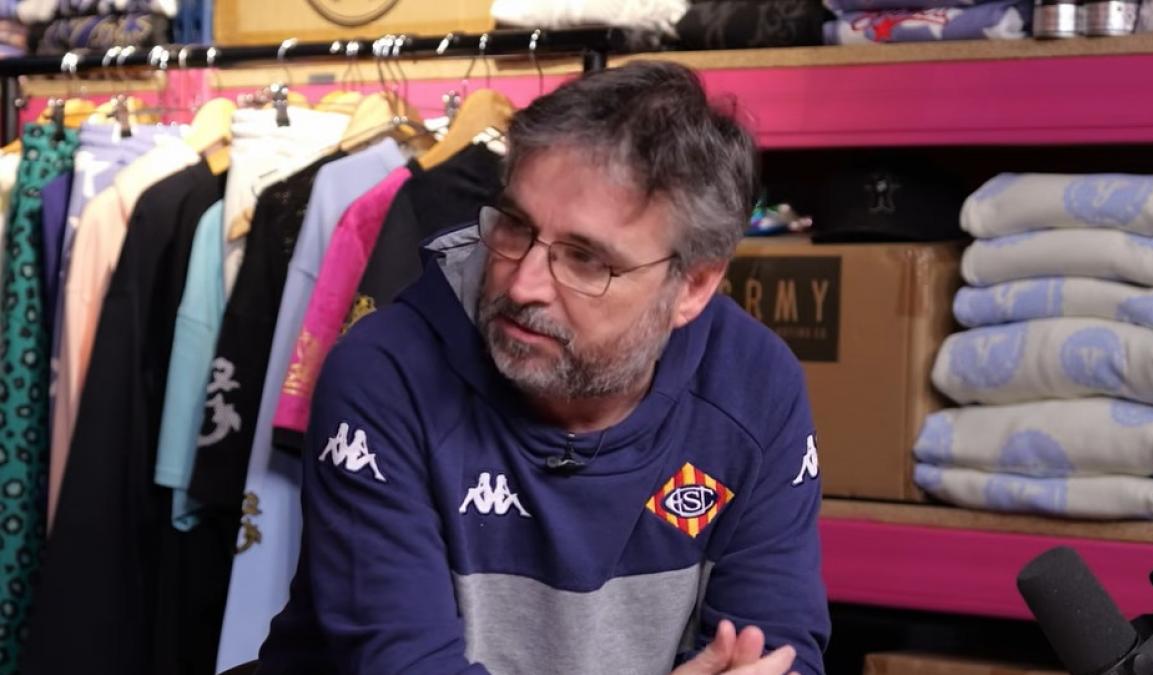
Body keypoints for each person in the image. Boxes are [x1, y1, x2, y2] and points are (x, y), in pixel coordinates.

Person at [256, 59, 830, 675]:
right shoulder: (382, 374)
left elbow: (777, 652)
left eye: (586, 259)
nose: (523, 284)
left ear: (692, 287)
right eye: (515, 226)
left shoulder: (756, 386)